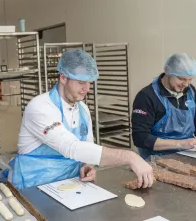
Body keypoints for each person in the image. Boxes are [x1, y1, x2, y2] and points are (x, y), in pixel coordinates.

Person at [8, 49, 153, 189]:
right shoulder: (40, 106)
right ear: (63, 78)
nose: (87, 88)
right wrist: (130, 156)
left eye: (89, 82)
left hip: (69, 185)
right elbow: (70, 147)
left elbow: (86, 148)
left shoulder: (82, 109)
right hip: (32, 187)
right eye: (81, 82)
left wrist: (87, 165)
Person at [131, 53, 196, 159]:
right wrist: (182, 143)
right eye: (182, 79)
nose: (186, 84)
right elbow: (141, 138)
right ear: (167, 71)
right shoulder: (147, 96)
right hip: (155, 159)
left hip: (188, 156)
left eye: (190, 79)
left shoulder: (190, 91)